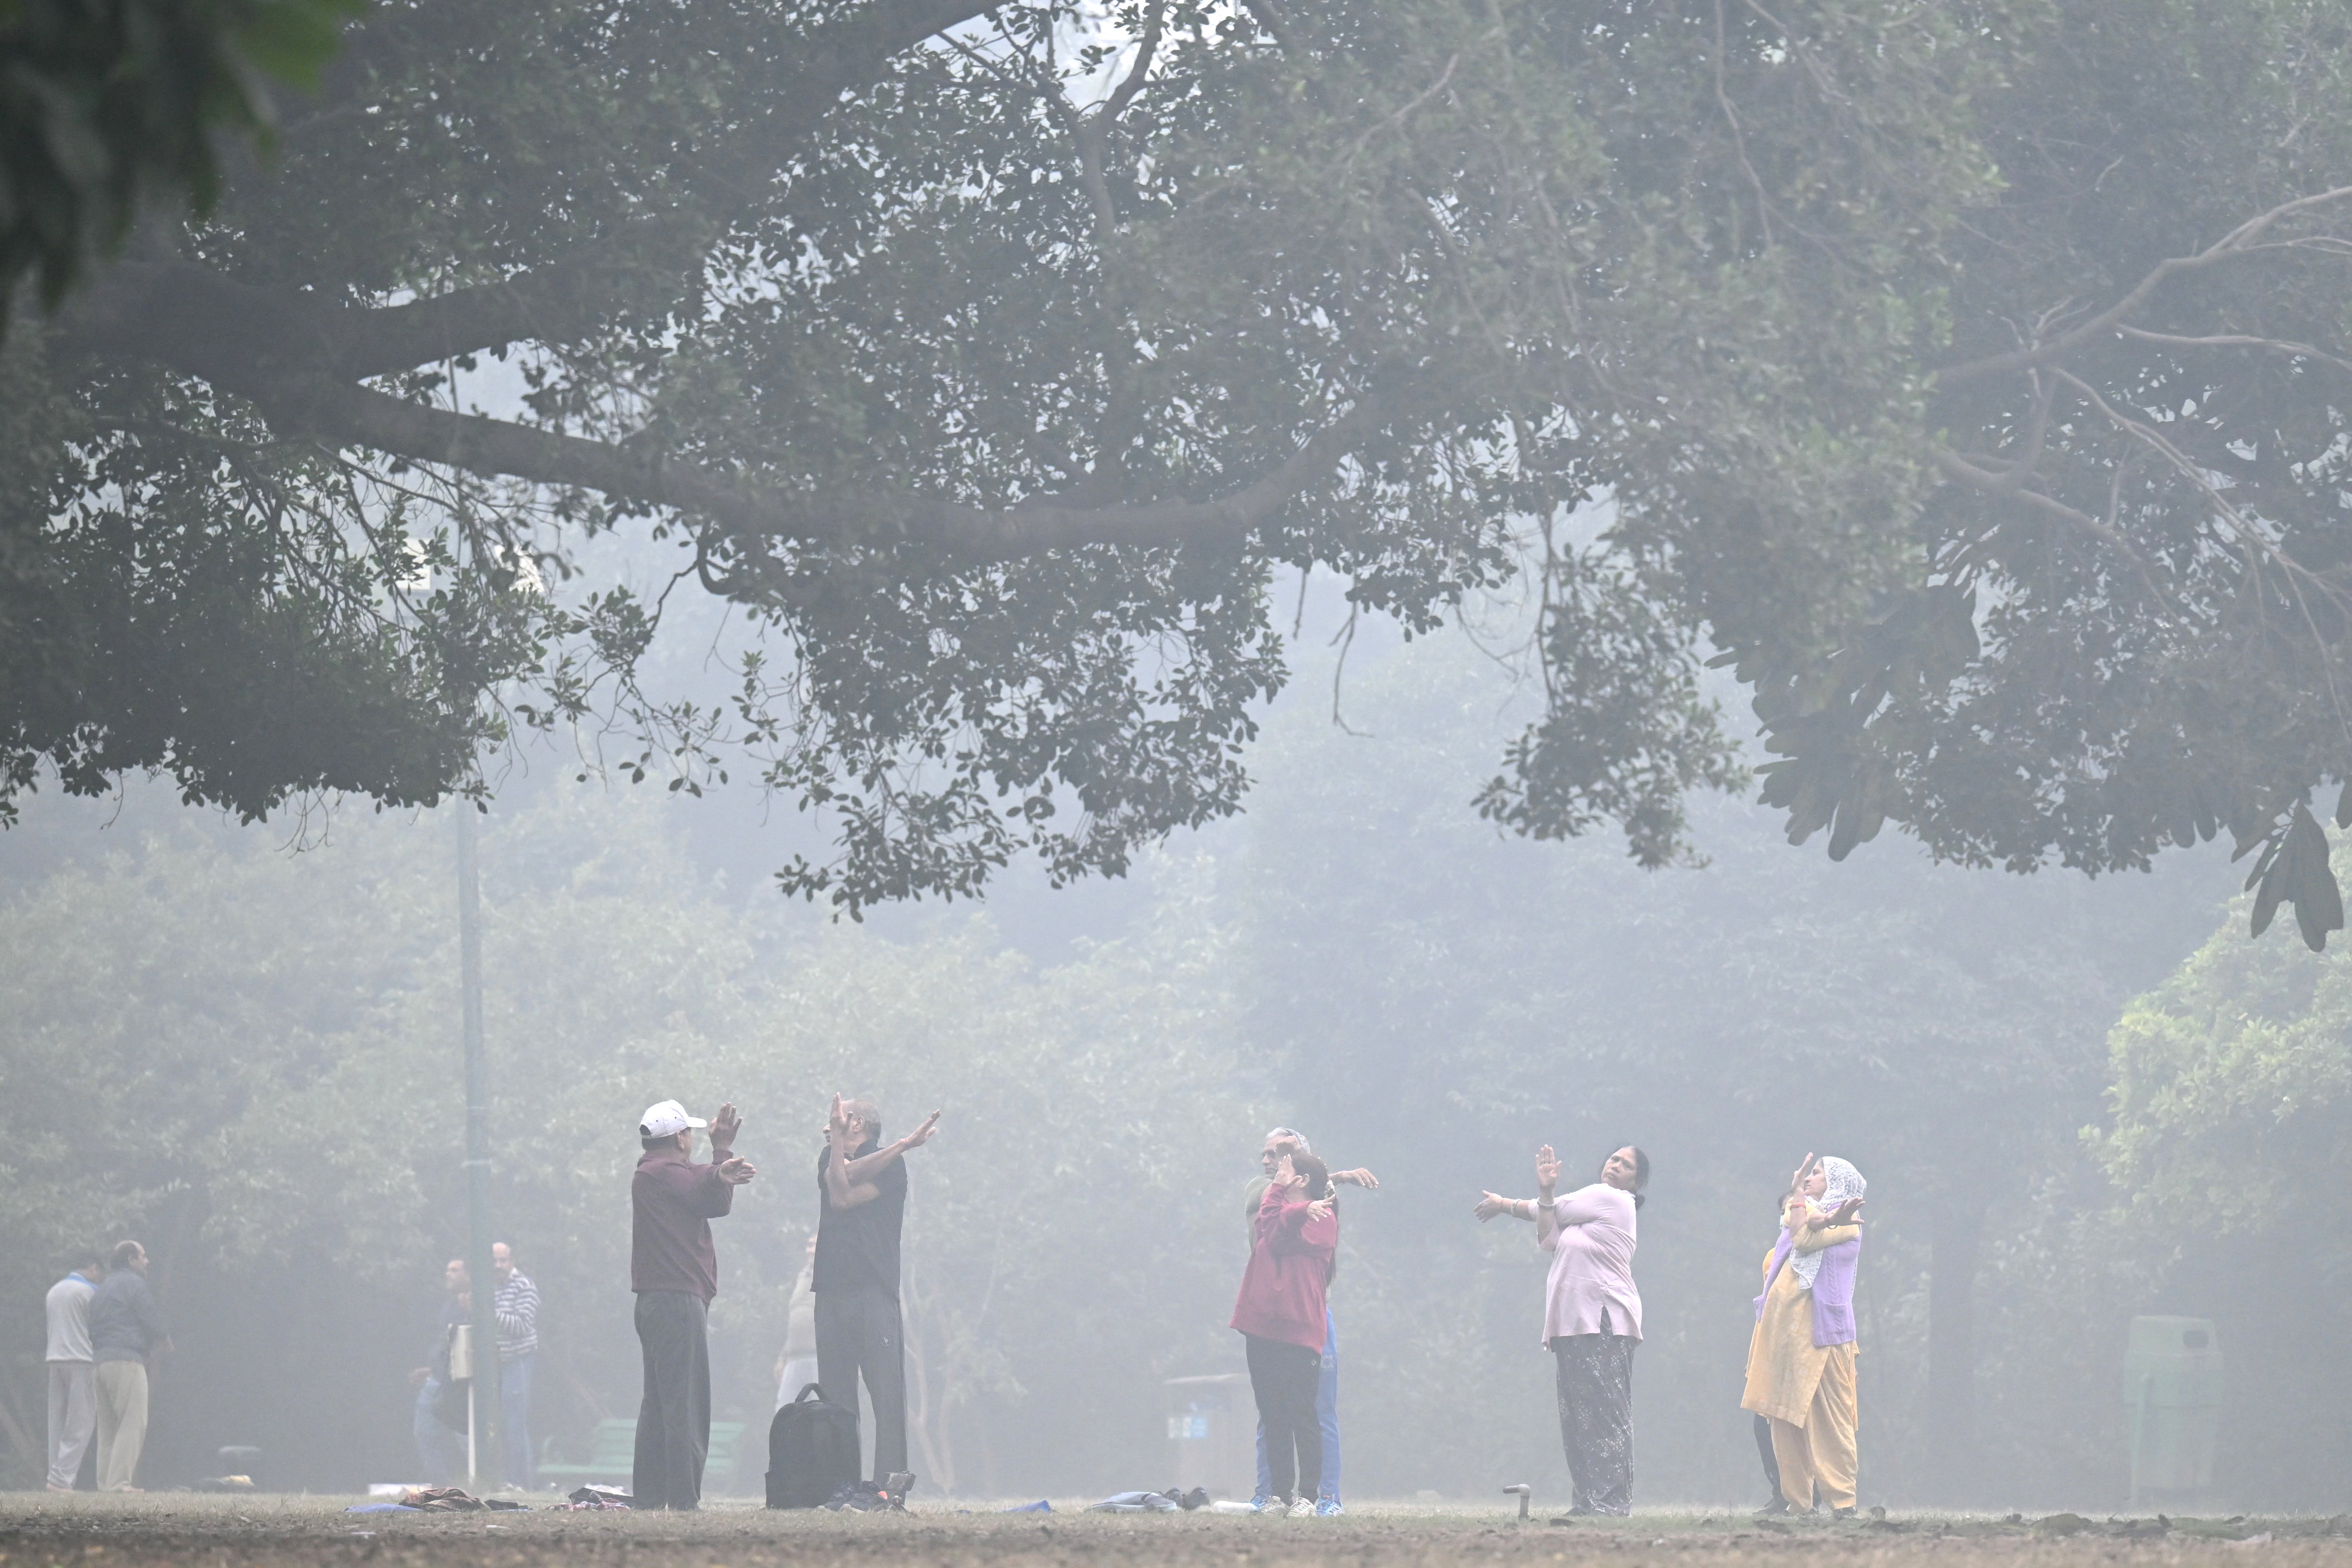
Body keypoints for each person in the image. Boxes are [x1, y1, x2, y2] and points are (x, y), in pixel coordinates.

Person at [1475, 1143, 1648, 1516]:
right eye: (1613, 1158)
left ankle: (1612, 1503)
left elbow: (1552, 1213)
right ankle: (1588, 1501)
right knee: (1577, 1416)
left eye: (1626, 1164)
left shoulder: (1613, 1199)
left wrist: (1506, 1203)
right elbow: (1550, 1237)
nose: (1615, 1165)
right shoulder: (1588, 1217)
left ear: (1636, 1182)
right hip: (1572, 1324)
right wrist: (1546, 1193)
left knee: (1605, 1414)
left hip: (1604, 1320)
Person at [1241, 1129, 1377, 1513]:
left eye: (1283, 1153)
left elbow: (1310, 1199)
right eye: (1266, 1153)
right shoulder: (1260, 1190)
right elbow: (1275, 1217)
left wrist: (1324, 1183)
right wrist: (1332, 1179)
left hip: (1309, 1316)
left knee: (1315, 1409)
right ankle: (1271, 1491)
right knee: (1272, 1412)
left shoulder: (1321, 1207)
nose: (1271, 1161)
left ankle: (1324, 1495)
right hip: (1270, 1318)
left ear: (1301, 1161)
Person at [631, 1097, 757, 1510]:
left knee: (662, 1401)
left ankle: (652, 1498)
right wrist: (720, 1167)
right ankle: (683, 1501)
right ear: (683, 1138)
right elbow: (698, 1181)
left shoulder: (666, 1176)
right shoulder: (658, 1173)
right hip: (674, 1300)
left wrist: (721, 1156)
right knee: (685, 1402)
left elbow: (715, 1204)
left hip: (668, 1301)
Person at [814, 1094, 940, 1491]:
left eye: (841, 1116)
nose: (833, 1119)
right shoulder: (828, 1156)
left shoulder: (892, 1164)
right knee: (836, 1395)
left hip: (874, 1289)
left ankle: (889, 1486)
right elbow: (838, 1192)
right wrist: (836, 1144)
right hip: (831, 1288)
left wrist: (900, 1146)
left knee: (886, 1394)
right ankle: (839, 1483)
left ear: (858, 1122)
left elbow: (850, 1188)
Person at [1742, 1154, 1866, 1518]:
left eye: (1817, 1174)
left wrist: (1821, 1215)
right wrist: (1802, 1199)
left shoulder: (1850, 1225)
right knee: (1782, 1419)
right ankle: (1799, 1503)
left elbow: (1804, 1241)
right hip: (1782, 1333)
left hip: (1824, 1334)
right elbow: (1797, 1226)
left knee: (1831, 1419)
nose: (1809, 1178)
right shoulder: (1795, 1217)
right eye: (1808, 1174)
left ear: (1839, 1183)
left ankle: (1843, 1503)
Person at [1231, 1148, 1339, 1518]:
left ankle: (1308, 1495)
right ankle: (1279, 1495)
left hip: (1299, 1328)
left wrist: (1291, 1207)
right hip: (1262, 1325)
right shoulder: (1279, 1212)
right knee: (1272, 1412)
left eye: (1283, 1167)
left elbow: (1277, 1238)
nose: (1275, 1170)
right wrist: (1284, 1200)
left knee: (1302, 1413)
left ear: (1302, 1180)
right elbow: (1269, 1227)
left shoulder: (1323, 1217)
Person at [88, 1239, 170, 1493]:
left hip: (100, 1361)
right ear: (131, 1260)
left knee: (108, 1428)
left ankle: (106, 1484)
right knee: (133, 1422)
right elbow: (148, 1315)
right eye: (143, 1256)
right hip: (127, 1360)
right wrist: (164, 1338)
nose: (147, 1261)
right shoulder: (134, 1283)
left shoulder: (103, 1288)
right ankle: (121, 1483)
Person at [44, 1252, 104, 1492]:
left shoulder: (54, 1291)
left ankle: (55, 1475)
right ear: (92, 1268)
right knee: (81, 1422)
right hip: (81, 1359)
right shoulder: (89, 1292)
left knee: (57, 1422)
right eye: (99, 1273)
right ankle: (61, 1480)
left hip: (55, 1358)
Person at [409, 1259, 470, 1486]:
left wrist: (471, 1311)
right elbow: (447, 1345)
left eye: (454, 1271)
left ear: (469, 1275)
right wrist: (431, 1369)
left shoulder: (476, 1304)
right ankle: (439, 1486)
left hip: (459, 1381)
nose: (448, 1275)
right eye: (447, 1270)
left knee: (465, 1434)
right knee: (424, 1433)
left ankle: (484, 1480)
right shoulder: (449, 1305)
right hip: (437, 1377)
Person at [492, 1242, 539, 1490]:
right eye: (494, 1261)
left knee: (515, 1421)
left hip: (518, 1360)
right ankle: (507, 1479)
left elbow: (522, 1326)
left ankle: (521, 1482)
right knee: (501, 1422)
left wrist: (488, 1313)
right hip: (496, 1364)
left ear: (512, 1261)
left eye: (503, 1260)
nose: (499, 1266)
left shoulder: (524, 1286)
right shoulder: (489, 1287)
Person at [773, 1234, 820, 1410]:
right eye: (809, 1245)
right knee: (784, 1410)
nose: (811, 1250)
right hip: (794, 1358)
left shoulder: (834, 1273)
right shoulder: (802, 1276)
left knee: (818, 1410)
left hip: (819, 1357)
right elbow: (797, 1320)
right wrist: (782, 1357)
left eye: (816, 1245)